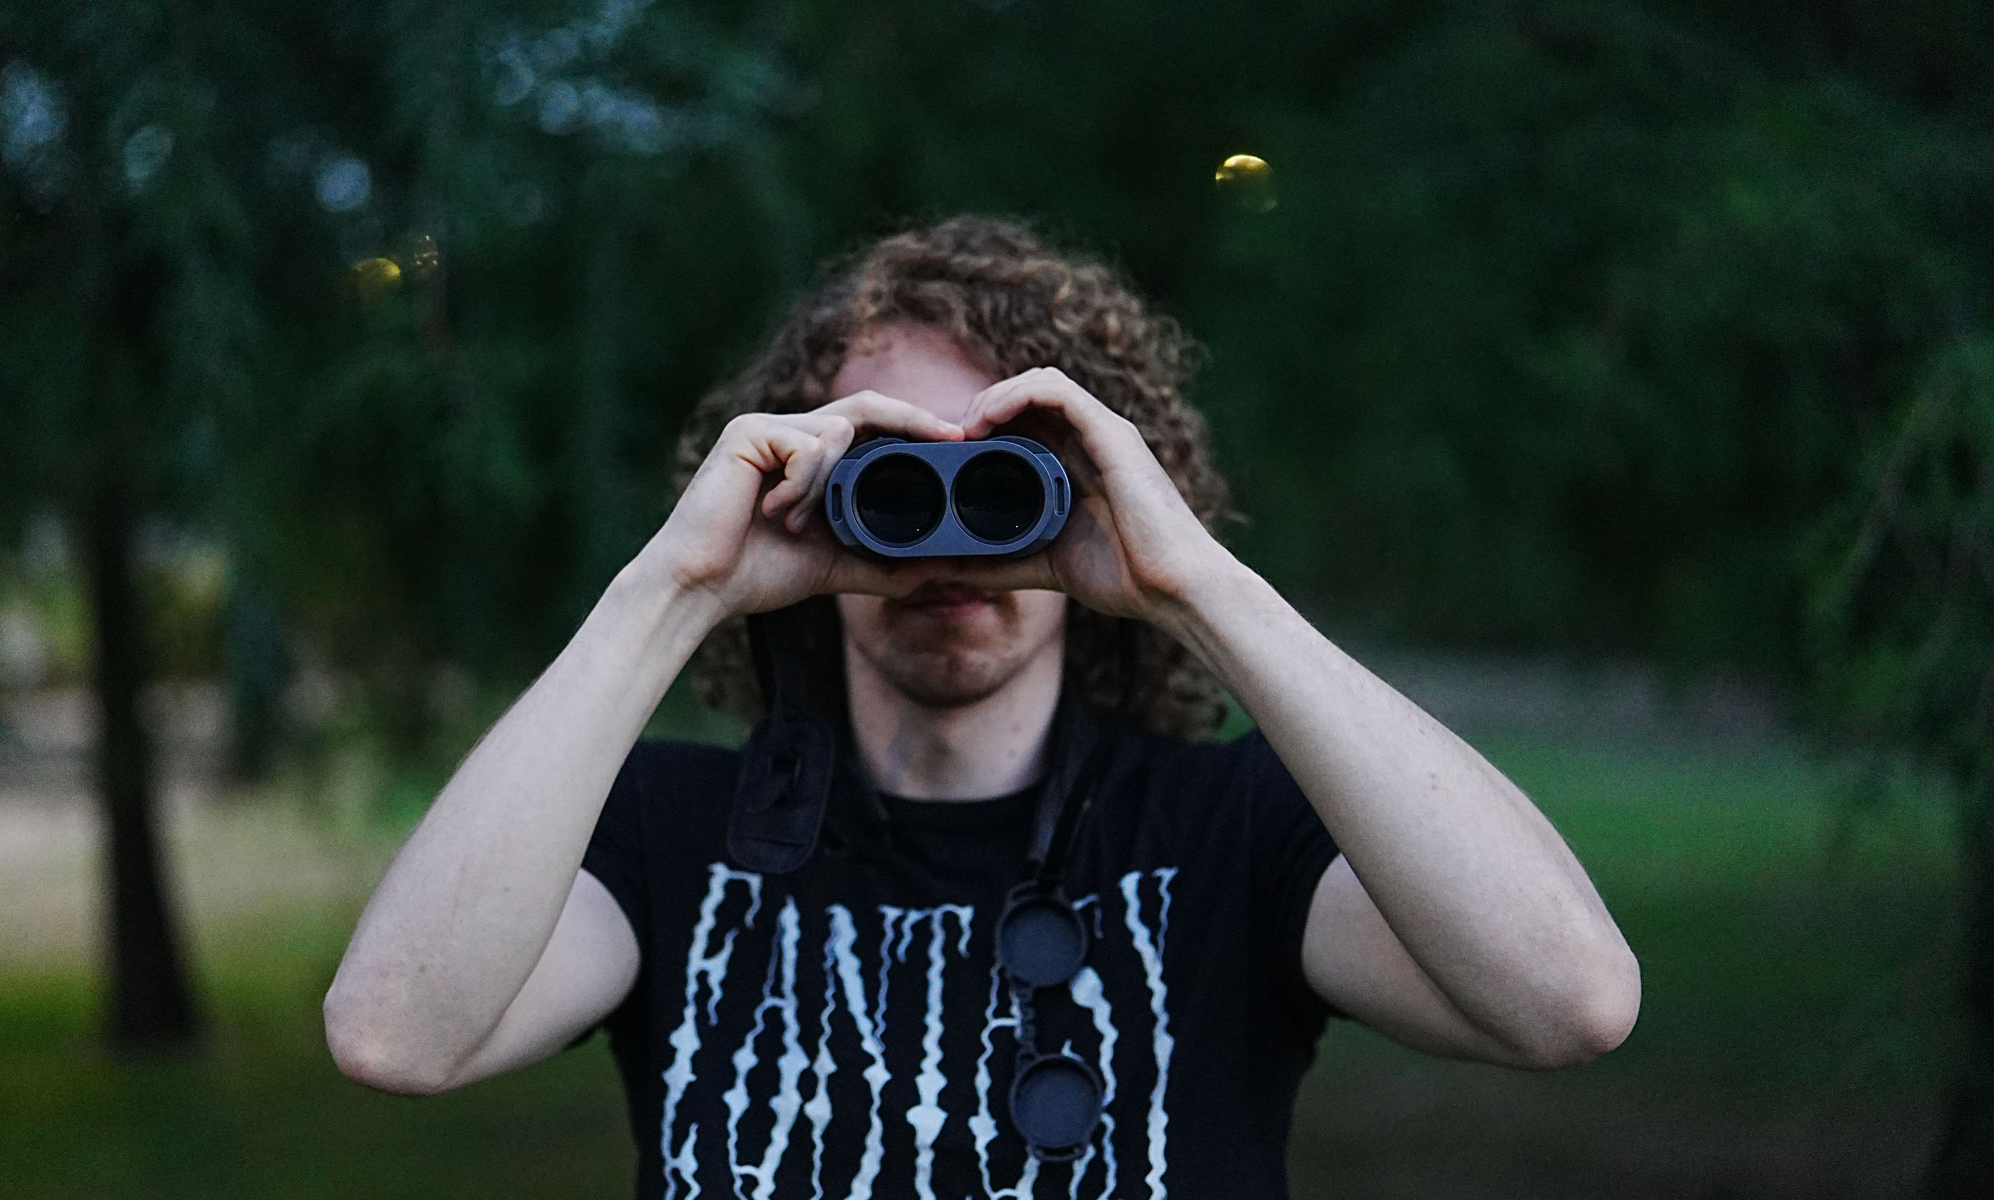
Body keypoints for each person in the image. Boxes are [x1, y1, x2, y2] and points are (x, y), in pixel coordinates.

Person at [322, 216, 1641, 1199]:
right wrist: (676, 587)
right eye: (889, 478)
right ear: (795, 478)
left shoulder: (1230, 831)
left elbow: (1565, 1000)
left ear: (1106, 482)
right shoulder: (670, 835)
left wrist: (1193, 584)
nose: (945, 545)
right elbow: (395, 1033)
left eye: (1007, 479)